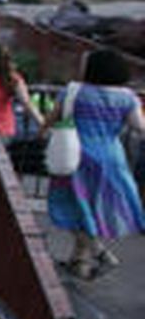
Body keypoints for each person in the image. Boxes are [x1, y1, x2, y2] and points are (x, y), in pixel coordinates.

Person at [44, 48, 145, 280]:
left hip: (75, 157)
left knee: (71, 208)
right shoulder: (128, 97)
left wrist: (43, 130)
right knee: (89, 208)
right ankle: (78, 262)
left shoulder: (73, 91)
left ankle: (100, 253)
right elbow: (139, 127)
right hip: (111, 159)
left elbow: (52, 119)